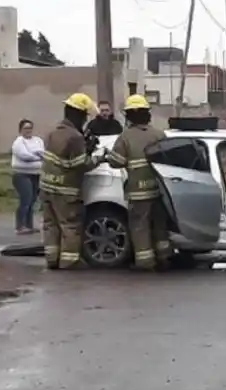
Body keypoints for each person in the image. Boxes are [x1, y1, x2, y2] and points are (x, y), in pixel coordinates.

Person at [104, 94, 171, 271]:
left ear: (130, 116)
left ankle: (145, 261)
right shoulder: (159, 134)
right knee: (159, 225)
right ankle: (164, 257)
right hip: (159, 189)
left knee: (140, 226)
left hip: (138, 192)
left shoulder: (125, 137)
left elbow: (115, 161)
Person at [40, 92, 104, 270]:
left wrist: (85, 147)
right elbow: (80, 165)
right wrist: (98, 157)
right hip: (65, 191)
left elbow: (62, 158)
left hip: (46, 186)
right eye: (84, 116)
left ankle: (52, 259)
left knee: (50, 225)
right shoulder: (75, 137)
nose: (84, 121)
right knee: (70, 226)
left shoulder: (53, 131)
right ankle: (69, 261)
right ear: (79, 115)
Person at [10, 118, 44, 234]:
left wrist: (36, 154)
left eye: (30, 128)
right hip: (21, 175)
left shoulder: (38, 140)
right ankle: (20, 226)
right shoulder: (18, 142)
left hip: (36, 174)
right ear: (20, 130)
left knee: (33, 200)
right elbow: (25, 156)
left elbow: (43, 153)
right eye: (25, 128)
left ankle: (29, 225)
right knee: (26, 199)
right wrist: (37, 155)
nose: (28, 130)